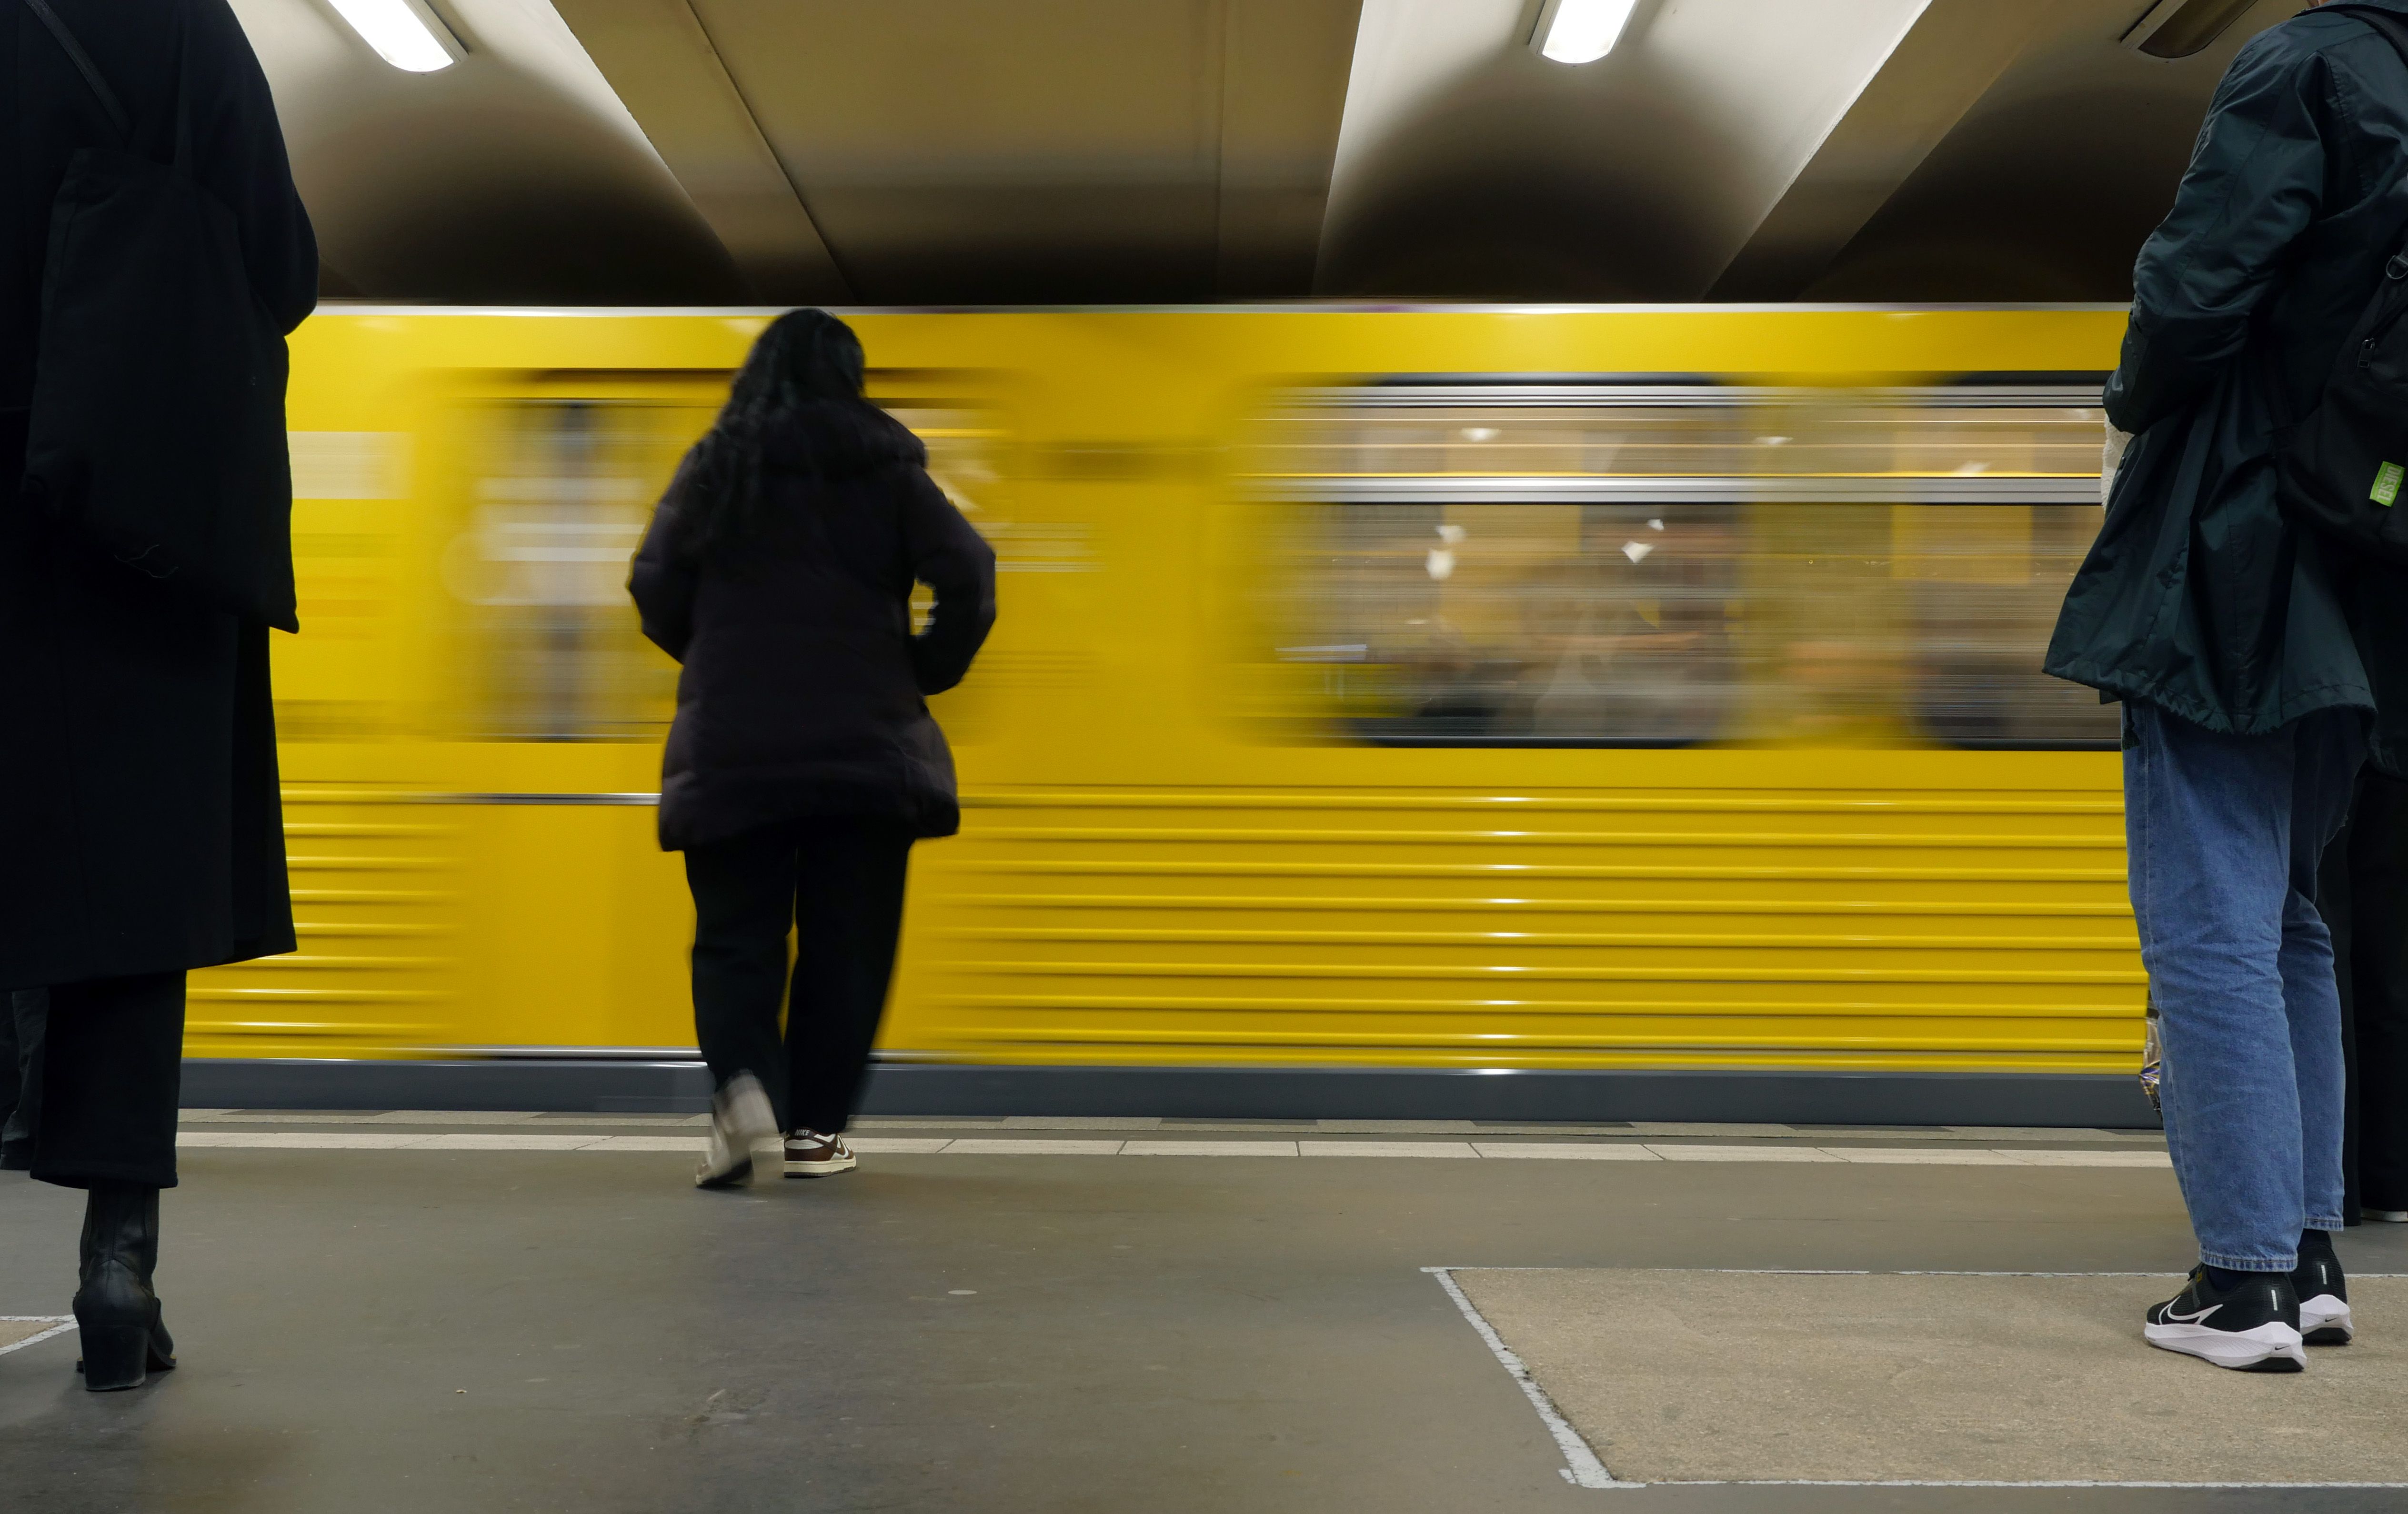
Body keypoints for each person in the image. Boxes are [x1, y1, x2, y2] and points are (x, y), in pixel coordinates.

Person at [2046, 0, 2408, 1372]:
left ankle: (2242, 1279)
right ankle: (2309, 1253)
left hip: (2237, 547)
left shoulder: (2311, 61)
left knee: (2207, 921)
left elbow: (2196, 290)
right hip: (2366, 571)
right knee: (2291, 916)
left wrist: (2130, 396)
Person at [0, 0, 316, 1390]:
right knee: (132, 901)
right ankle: (115, 1267)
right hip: (135, 518)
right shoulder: (181, 25)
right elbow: (280, 259)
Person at [629, 310, 995, 1189]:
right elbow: (972, 578)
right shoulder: (889, 471)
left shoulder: (716, 467)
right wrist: (919, 671)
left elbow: (651, 583)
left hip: (734, 746)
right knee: (849, 945)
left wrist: (720, 659)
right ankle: (814, 1134)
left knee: (736, 937)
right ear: (851, 378)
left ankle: (746, 1094)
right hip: (864, 749)